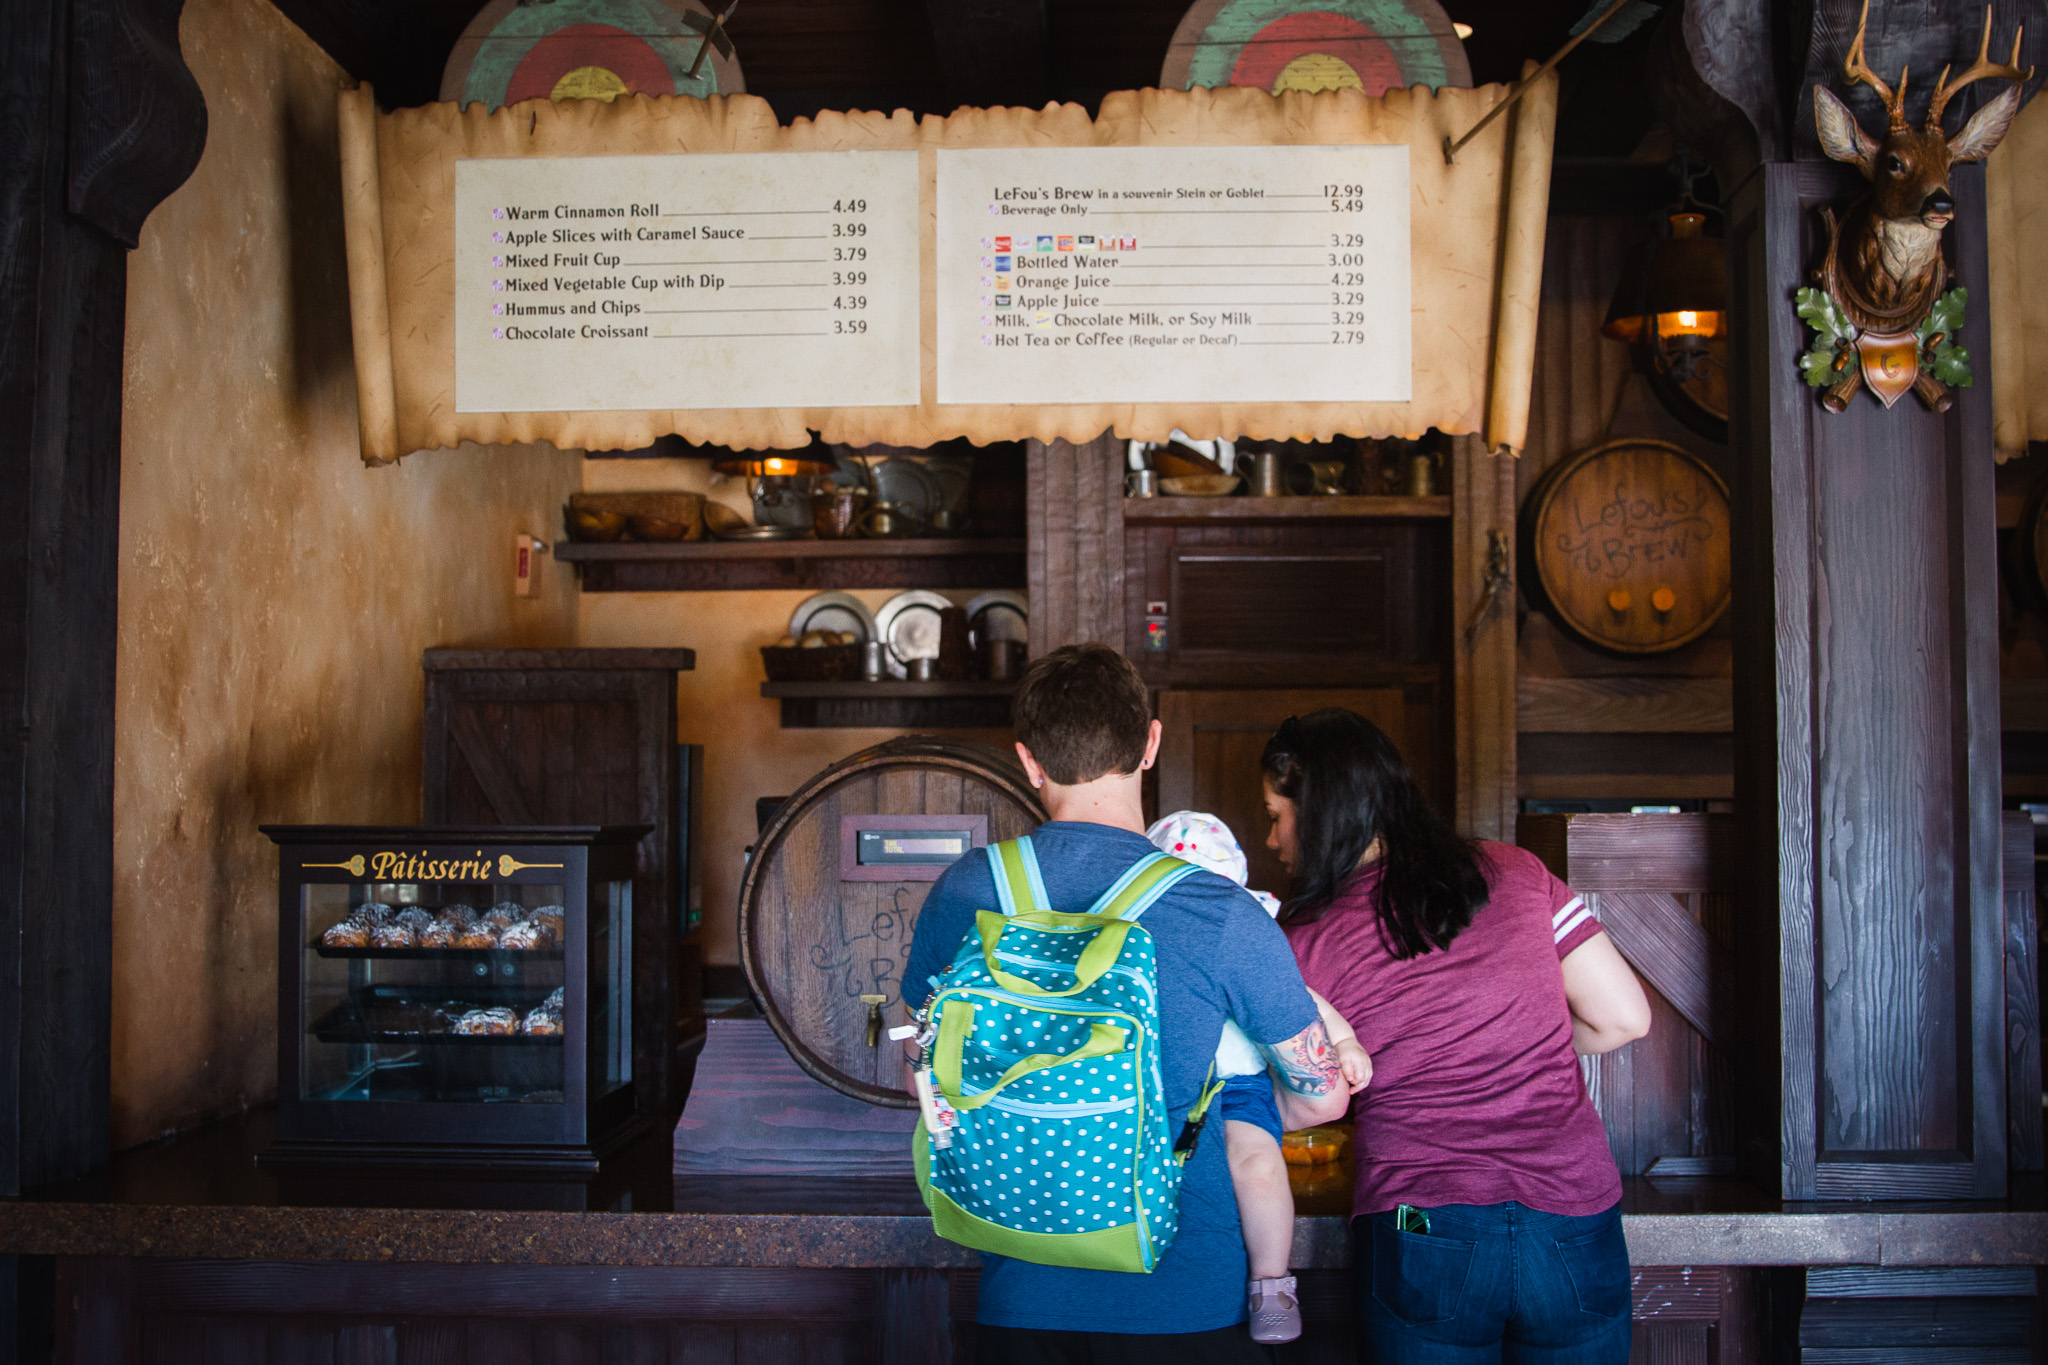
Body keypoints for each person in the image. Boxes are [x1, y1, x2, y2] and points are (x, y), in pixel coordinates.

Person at [902, 645, 1350, 1363]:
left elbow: (921, 1070)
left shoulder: (967, 889)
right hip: (1189, 1291)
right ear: (1150, 742)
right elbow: (1324, 1096)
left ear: (1029, 760)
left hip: (1020, 1290)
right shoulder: (1223, 910)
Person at [1262, 709, 1652, 1365]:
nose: (1271, 838)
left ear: (1322, 810)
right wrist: (1526, 1038)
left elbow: (1312, 1093)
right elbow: (1624, 1018)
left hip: (1423, 1223)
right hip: (1574, 1217)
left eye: (1276, 815)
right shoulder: (1520, 872)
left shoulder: (1304, 938)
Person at [1143, 810, 1374, 1344]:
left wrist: (1345, 1043)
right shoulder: (1139, 943)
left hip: (1241, 1085)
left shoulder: (1243, 935)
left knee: (1261, 1168)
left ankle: (1272, 1283)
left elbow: (1307, 1002)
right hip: (1162, 1085)